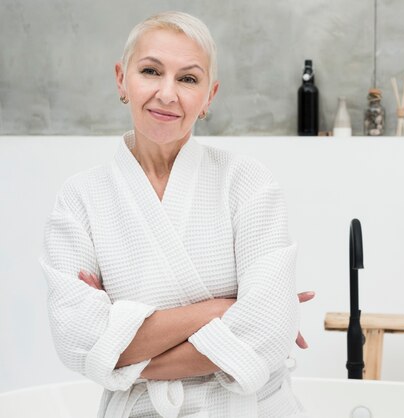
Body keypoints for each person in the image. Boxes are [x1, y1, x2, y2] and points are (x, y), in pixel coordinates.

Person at [40, 11, 311, 418]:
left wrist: (120, 355)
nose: (167, 93)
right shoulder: (81, 198)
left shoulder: (247, 182)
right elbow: (76, 337)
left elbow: (268, 333)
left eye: (188, 78)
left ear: (209, 95)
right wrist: (218, 309)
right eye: (151, 71)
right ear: (121, 79)